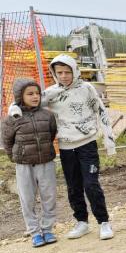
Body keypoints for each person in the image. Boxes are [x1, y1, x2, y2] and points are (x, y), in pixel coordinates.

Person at [10, 54, 117, 240]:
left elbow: (101, 112)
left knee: (91, 184)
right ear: (54, 73)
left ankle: (103, 222)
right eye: (59, 73)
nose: (64, 76)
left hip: (87, 144)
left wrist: (110, 142)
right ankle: (82, 222)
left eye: (67, 72)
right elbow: (25, 102)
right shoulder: (51, 92)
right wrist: (14, 110)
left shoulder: (87, 88)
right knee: (73, 186)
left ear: (74, 70)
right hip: (66, 148)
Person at [2, 78, 59, 247]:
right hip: (24, 165)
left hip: (46, 163)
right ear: (20, 96)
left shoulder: (48, 115)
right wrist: (16, 157)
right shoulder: (12, 119)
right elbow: (7, 142)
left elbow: (51, 134)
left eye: (37, 93)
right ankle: (34, 232)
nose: (35, 96)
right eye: (30, 94)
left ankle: (47, 229)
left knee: (49, 197)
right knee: (27, 199)